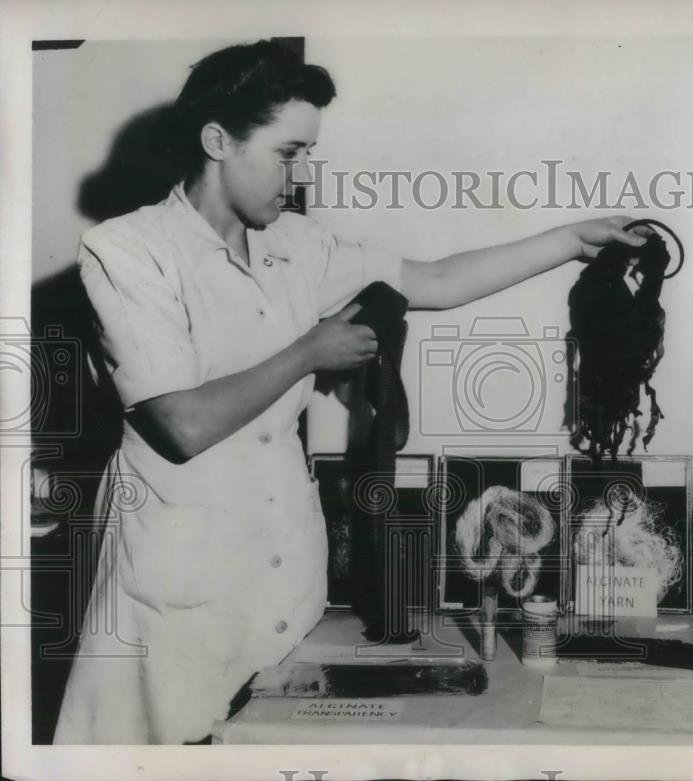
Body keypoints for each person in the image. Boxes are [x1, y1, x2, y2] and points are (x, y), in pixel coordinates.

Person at [53, 39, 646, 744]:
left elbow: (432, 280)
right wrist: (310, 349)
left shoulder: (296, 245)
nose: (299, 174)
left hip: (281, 580)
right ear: (218, 141)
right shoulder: (127, 251)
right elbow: (180, 421)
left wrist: (571, 239)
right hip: (174, 596)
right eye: (287, 152)